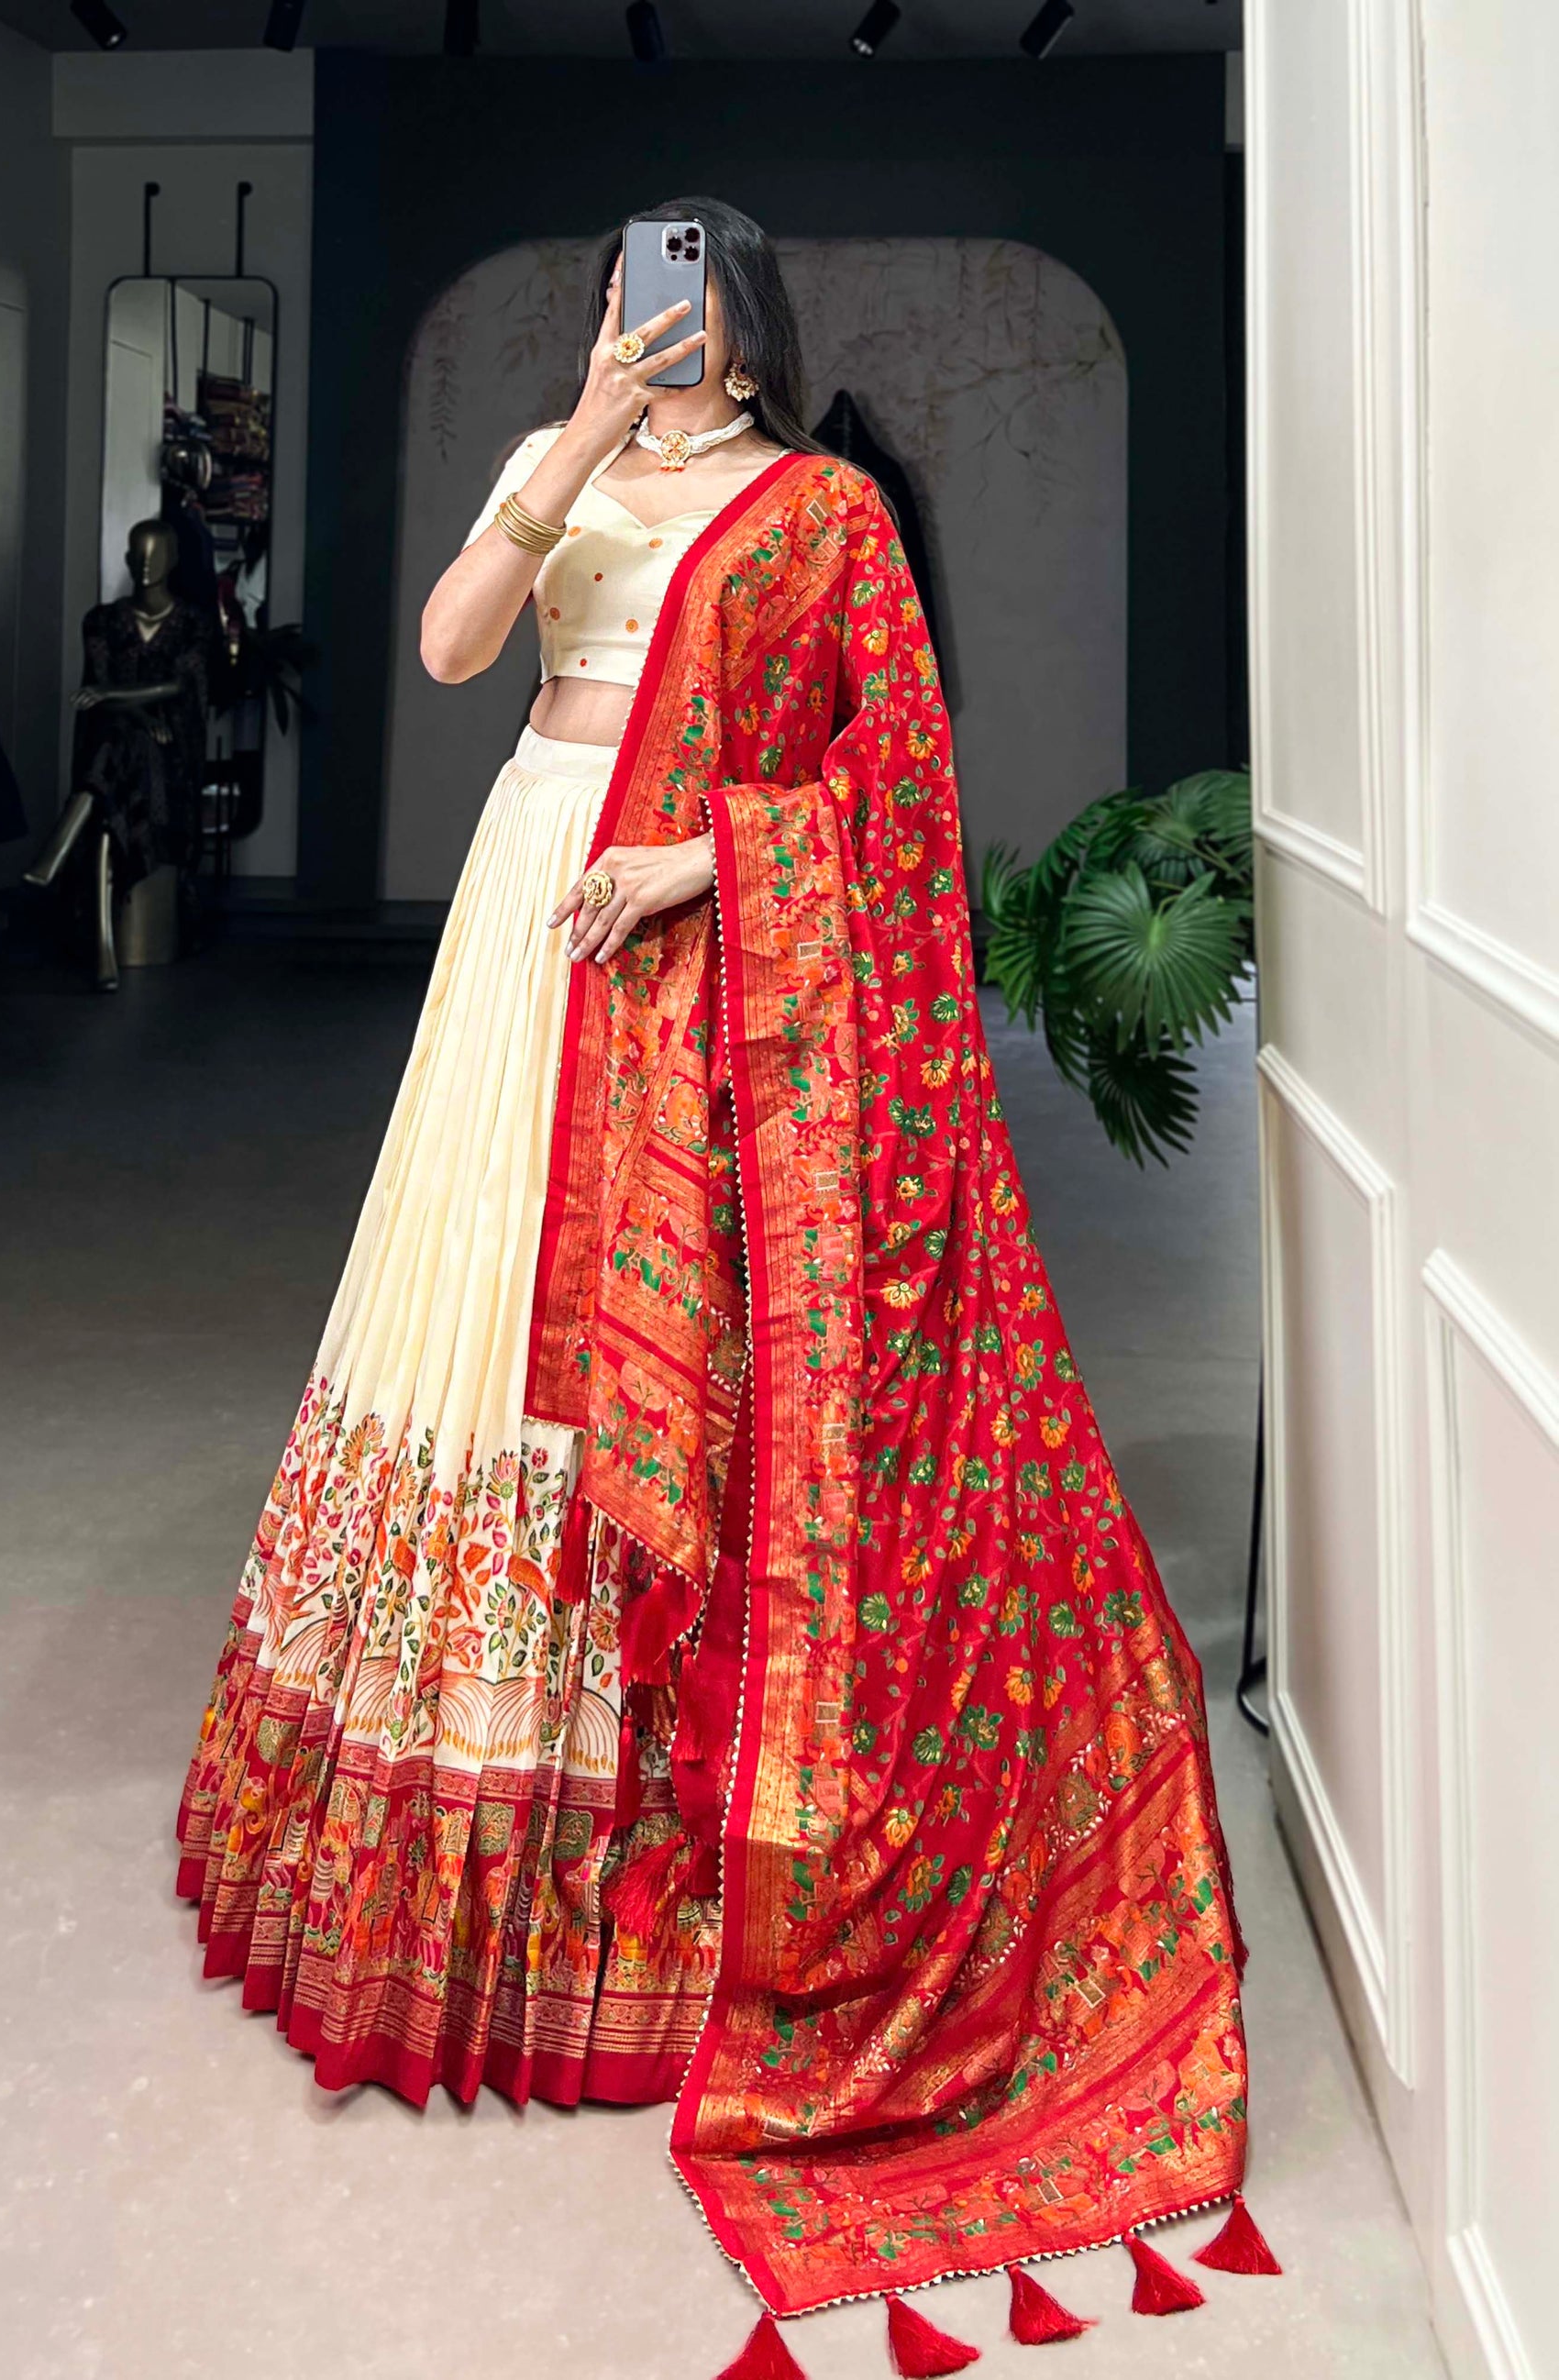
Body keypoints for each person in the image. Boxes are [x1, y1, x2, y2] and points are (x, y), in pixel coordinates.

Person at [175, 198, 1263, 2337]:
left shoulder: (822, 512)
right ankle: (469, 1883)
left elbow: (896, 781)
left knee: (672, 1372)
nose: (635, 315)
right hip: (531, 902)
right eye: (613, 291)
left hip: (686, 947)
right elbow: (454, 650)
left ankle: (684, 1897)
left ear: (741, 325)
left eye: (667, 296)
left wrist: (702, 856)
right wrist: (579, 434)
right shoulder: (553, 454)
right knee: (478, 1319)